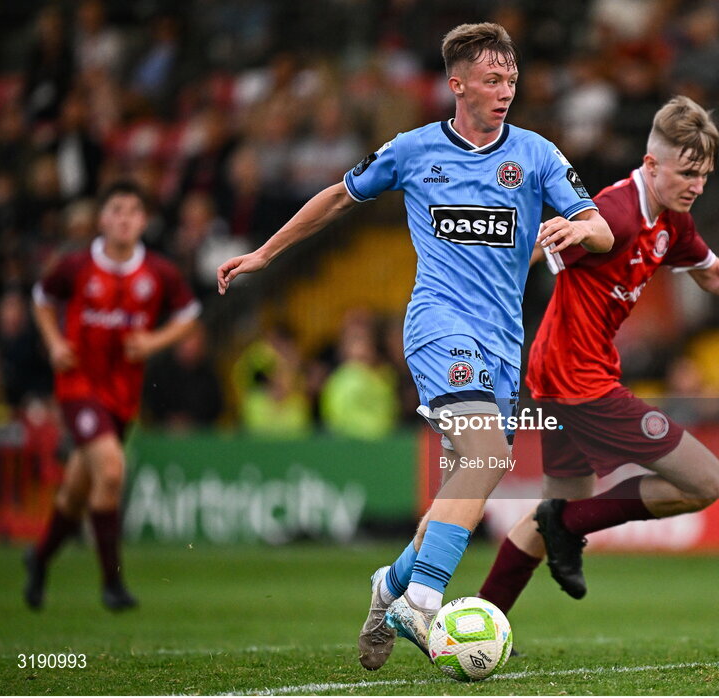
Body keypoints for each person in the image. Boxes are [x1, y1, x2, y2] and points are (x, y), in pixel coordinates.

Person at [215, 23, 612, 670]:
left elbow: (599, 228)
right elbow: (337, 200)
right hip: (438, 324)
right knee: (485, 454)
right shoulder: (413, 149)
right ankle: (423, 599)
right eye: (491, 80)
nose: (504, 90)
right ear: (456, 85)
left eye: (510, 79)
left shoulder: (536, 155)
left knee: (467, 479)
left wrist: (576, 228)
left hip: (504, 341)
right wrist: (264, 252)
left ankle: (390, 585)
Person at [476, 96, 719, 615]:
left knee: (557, 504)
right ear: (652, 165)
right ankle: (565, 524)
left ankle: (479, 620)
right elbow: (555, 241)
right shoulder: (614, 211)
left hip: (560, 373)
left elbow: (713, 273)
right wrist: (547, 238)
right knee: (705, 482)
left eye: (704, 175)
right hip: (577, 380)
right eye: (687, 174)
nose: (697, 186)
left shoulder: (673, 221)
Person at [25, 181, 200, 611]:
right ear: (102, 219)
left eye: (133, 211)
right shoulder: (75, 266)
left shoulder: (158, 272)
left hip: (123, 395)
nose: (124, 218)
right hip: (78, 386)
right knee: (111, 468)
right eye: (116, 210)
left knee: (76, 490)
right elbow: (41, 299)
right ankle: (112, 584)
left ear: (143, 221)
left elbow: (189, 314)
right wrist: (53, 343)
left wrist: (153, 342)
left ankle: (40, 558)